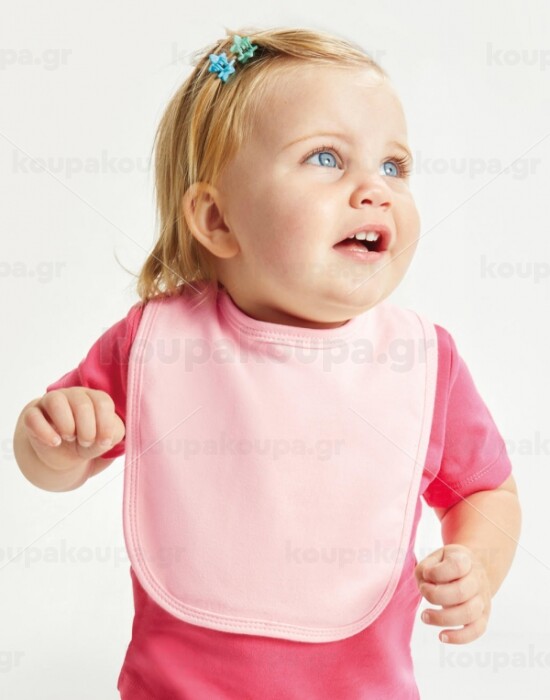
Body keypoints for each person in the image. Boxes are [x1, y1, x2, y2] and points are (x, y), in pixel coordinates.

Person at [13, 26, 522, 699]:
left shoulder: (421, 362)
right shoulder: (156, 342)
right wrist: (55, 440)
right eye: (326, 158)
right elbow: (49, 464)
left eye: (394, 166)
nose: (375, 189)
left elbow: (486, 492)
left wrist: (478, 565)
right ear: (217, 220)